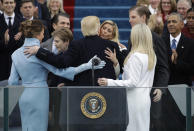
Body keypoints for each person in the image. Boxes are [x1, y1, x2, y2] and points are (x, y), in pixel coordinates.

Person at [8, 19, 105, 131]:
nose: (44, 35)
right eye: (43, 33)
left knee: (26, 127)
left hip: (23, 94)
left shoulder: (15, 54)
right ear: (39, 34)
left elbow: (12, 81)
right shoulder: (40, 53)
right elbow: (61, 71)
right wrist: (86, 66)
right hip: (39, 93)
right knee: (39, 127)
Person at [98, 23, 156, 131]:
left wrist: (109, 82)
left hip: (133, 101)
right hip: (144, 100)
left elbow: (132, 82)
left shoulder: (136, 57)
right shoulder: (152, 55)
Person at [128, 5, 169, 131]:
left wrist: (160, 88)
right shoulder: (132, 37)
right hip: (134, 92)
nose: (130, 20)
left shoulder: (156, 39)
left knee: (153, 123)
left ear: (143, 17)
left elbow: (163, 68)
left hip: (151, 92)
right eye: (129, 17)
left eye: (133, 17)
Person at [162, 12, 194, 131]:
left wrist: (177, 63)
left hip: (183, 90)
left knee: (183, 123)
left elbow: (192, 68)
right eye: (169, 22)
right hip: (165, 90)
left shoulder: (190, 43)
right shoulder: (161, 41)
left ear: (181, 24)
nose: (170, 24)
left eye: (174, 21)